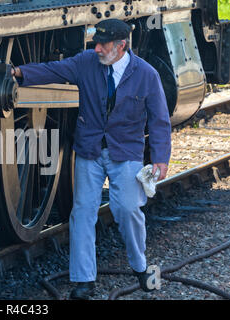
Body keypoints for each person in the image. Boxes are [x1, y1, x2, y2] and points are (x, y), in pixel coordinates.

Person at [12, 19, 171, 299]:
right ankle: (83, 281)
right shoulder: (86, 62)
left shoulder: (147, 74)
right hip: (89, 151)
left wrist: (160, 158)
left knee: (127, 208)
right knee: (82, 213)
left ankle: (140, 266)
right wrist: (18, 72)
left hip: (126, 153)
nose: (96, 48)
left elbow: (159, 120)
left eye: (103, 44)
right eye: (95, 43)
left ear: (121, 46)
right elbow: (54, 70)